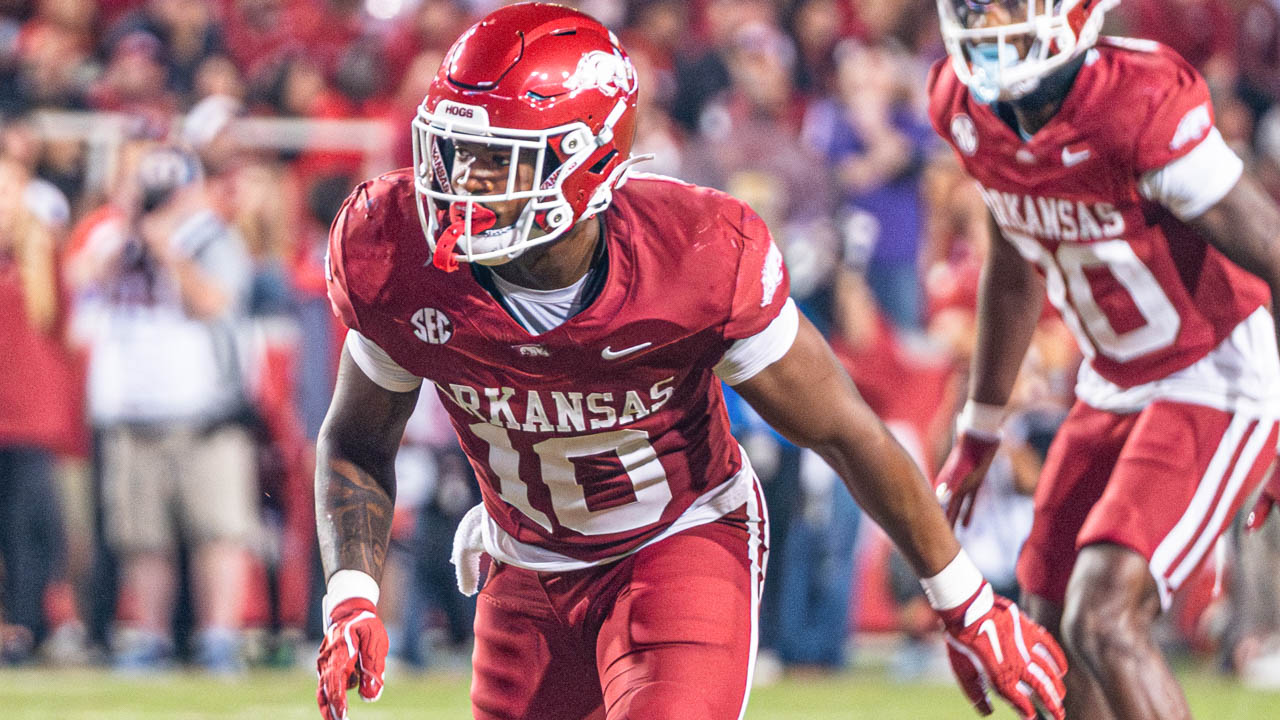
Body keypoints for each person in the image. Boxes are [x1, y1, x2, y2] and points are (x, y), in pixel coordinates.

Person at [314, 5, 1067, 720]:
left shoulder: (696, 256)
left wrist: (968, 602)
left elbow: (846, 432)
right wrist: (352, 592)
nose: (458, 184)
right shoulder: (398, 254)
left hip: (677, 540)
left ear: (587, 160)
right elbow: (356, 440)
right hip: (525, 565)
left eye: (495, 160)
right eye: (455, 151)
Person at [928, 2, 1280, 720]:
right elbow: (1012, 254)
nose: (992, 21)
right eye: (979, 7)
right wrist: (981, 427)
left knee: (1106, 614)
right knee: (1048, 619)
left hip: (1213, 368)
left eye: (1010, 5)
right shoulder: (963, 102)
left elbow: (1274, 252)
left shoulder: (1136, 100)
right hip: (1111, 378)